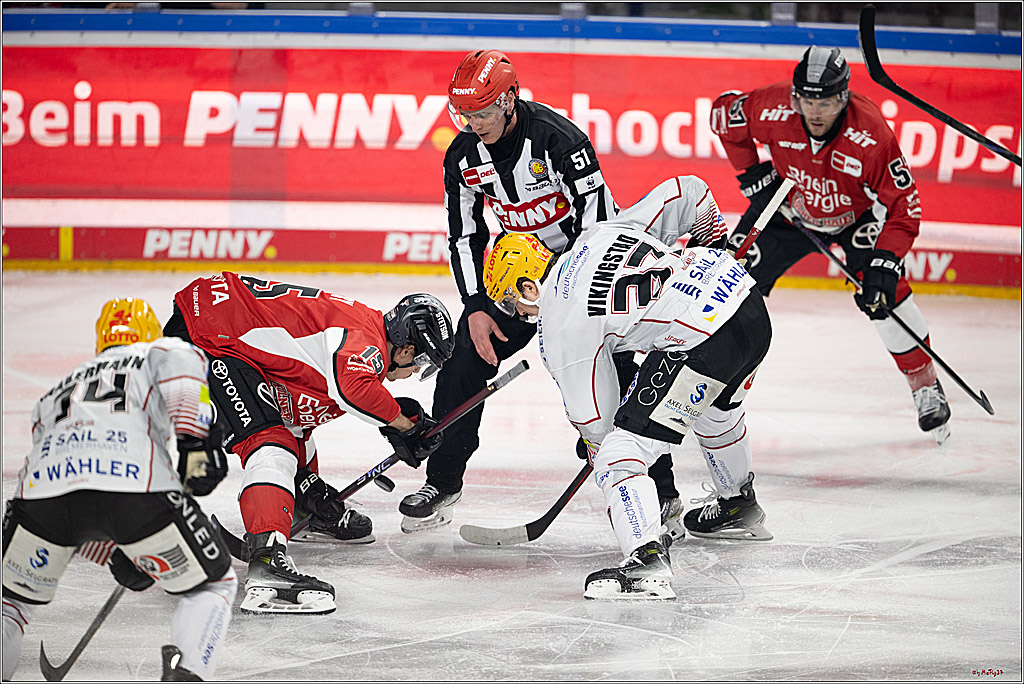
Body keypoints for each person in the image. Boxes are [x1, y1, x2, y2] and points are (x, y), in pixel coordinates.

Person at [403, 48, 690, 536]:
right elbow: (465, 235)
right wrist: (475, 306)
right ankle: (443, 481)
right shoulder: (463, 156)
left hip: (591, 273)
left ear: (509, 99)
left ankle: (661, 493)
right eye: (464, 113)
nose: (473, 123)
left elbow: (599, 228)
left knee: (616, 370)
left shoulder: (559, 140)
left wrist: (568, 298)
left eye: (482, 112)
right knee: (464, 358)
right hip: (521, 279)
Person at [482, 175, 774, 599]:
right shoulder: (597, 234)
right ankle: (738, 504)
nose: (518, 314)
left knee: (619, 453)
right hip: (746, 303)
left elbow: (595, 422)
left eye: (511, 302)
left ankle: (646, 563)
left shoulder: (557, 324)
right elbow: (686, 191)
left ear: (529, 286)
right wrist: (713, 244)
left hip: (702, 339)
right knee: (716, 412)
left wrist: (598, 447)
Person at [163, 273, 454, 614]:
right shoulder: (367, 343)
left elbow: (301, 405)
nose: (415, 372)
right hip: (207, 338)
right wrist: (404, 425)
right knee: (270, 443)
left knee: (292, 421)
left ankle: (302, 504)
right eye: (421, 362)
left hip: (213, 324)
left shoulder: (363, 327)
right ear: (406, 350)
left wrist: (398, 420)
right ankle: (267, 561)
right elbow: (353, 390)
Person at [710, 45, 951, 445]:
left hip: (855, 217)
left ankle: (924, 384)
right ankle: (702, 382)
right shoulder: (772, 107)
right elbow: (722, 114)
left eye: (825, 102)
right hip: (786, 209)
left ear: (844, 97)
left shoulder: (871, 133)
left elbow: (904, 207)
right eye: (807, 101)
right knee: (722, 285)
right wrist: (751, 174)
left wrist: (885, 261)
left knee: (886, 295)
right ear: (795, 97)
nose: (815, 112)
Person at [2, 298, 236, 681]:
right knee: (211, 585)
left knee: (8, 604)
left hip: (40, 500)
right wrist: (197, 445)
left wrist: (115, 551)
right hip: (135, 490)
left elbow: (59, 484)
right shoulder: (160, 350)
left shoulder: (56, 390)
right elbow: (183, 372)